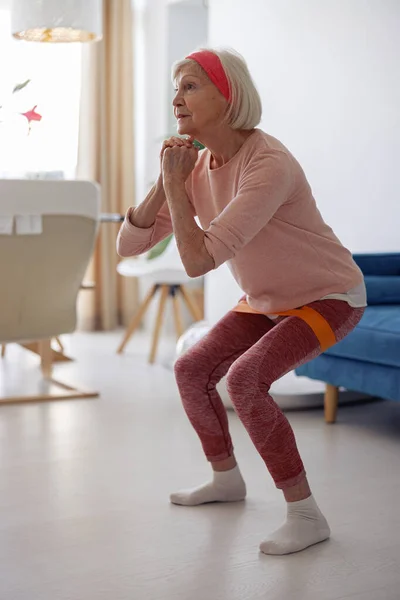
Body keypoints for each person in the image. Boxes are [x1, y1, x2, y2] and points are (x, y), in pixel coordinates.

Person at [116, 48, 366, 555]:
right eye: (176, 87)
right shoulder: (195, 164)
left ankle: (305, 513)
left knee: (246, 380)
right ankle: (226, 479)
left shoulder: (267, 162)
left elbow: (198, 261)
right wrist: (166, 181)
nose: (176, 98)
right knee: (191, 368)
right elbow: (129, 245)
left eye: (190, 86)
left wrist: (174, 185)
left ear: (227, 96)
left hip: (329, 296)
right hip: (266, 299)